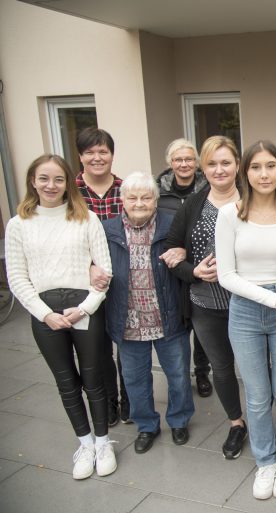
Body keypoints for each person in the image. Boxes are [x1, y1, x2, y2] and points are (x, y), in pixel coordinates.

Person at [5, 154, 117, 479]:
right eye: (44, 178)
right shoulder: (18, 225)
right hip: (46, 315)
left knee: (94, 380)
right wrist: (44, 314)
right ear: (32, 181)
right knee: (66, 383)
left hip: (84, 310)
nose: (51, 185)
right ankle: (84, 443)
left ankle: (103, 442)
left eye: (58, 179)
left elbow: (105, 271)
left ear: (68, 182)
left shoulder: (86, 218)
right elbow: (17, 277)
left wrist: (85, 307)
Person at [216, 140, 276, 500]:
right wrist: (271, 298)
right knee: (256, 395)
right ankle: (265, 461)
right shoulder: (230, 214)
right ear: (245, 172)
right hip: (246, 309)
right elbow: (226, 275)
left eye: (271, 165)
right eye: (256, 167)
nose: (264, 174)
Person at [161, 136, 248, 459]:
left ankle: (264, 421)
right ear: (203, 168)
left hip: (248, 305)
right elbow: (172, 253)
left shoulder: (255, 200)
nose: (219, 169)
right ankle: (237, 423)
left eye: (226, 162)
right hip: (206, 306)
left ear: (237, 165)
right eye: (212, 163)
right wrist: (193, 272)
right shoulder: (193, 205)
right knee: (222, 369)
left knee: (258, 370)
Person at [102, 173, 195, 454]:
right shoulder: (107, 229)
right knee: (135, 378)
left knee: (178, 374)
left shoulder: (172, 225)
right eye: (133, 197)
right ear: (123, 200)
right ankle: (146, 426)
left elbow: (188, 257)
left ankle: (179, 420)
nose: (139, 202)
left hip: (167, 315)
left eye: (146, 197)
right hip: (127, 318)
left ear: (156, 200)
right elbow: (92, 260)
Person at [75, 127, 130, 425]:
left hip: (124, 278)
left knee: (127, 342)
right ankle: (109, 400)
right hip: (87, 283)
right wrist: (88, 266)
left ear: (111, 154)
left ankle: (129, 398)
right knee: (97, 347)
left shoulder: (125, 189)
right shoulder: (69, 193)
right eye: (90, 152)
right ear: (80, 156)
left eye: (103, 151)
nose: (97, 158)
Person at [156, 138, 213, 398]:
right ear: (170, 163)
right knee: (179, 326)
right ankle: (180, 375)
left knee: (202, 327)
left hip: (202, 268)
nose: (184, 164)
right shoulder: (159, 191)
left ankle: (202, 372)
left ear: (197, 163)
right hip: (172, 269)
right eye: (178, 159)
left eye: (189, 159)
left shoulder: (208, 188)